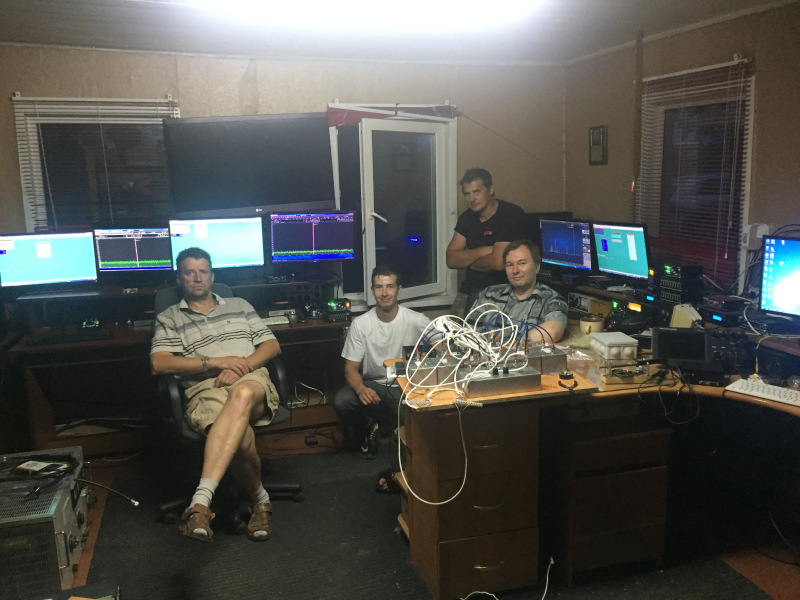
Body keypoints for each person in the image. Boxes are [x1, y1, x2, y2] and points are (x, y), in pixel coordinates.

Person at [150, 247, 281, 543]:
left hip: (251, 380)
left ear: (212, 276)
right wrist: (217, 363)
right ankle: (261, 501)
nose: (197, 278)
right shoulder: (170, 317)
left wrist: (242, 366)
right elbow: (159, 363)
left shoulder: (239, 304)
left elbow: (272, 346)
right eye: (189, 272)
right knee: (239, 435)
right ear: (179, 278)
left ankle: (200, 501)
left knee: (243, 393)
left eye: (203, 272)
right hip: (205, 390)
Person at [333, 265, 431, 460]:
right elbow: (350, 369)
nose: (384, 293)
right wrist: (361, 389)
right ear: (372, 291)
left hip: (404, 387)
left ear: (399, 290)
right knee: (342, 401)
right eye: (379, 287)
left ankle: (407, 450)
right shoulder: (361, 324)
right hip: (373, 385)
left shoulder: (416, 320)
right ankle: (369, 428)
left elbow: (445, 344)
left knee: (413, 422)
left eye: (390, 286)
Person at [446, 168, 529, 317]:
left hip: (503, 292)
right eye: (467, 194)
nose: (472, 198)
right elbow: (451, 259)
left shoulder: (510, 214)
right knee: (448, 330)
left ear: (490, 189)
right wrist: (486, 250)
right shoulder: (466, 218)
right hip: (470, 290)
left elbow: (497, 263)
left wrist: (467, 260)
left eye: (477, 192)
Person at [469, 239, 568, 344]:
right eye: (509, 265)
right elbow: (467, 333)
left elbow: (553, 331)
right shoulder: (489, 294)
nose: (515, 271)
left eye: (522, 263)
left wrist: (513, 346)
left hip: (519, 353)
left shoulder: (552, 300)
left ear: (537, 267)